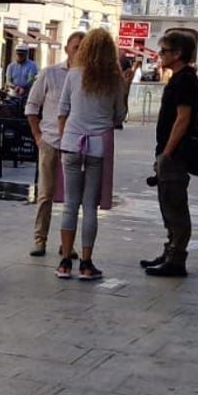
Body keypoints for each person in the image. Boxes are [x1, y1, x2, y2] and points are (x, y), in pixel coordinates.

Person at [55, 29, 127, 280]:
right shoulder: (115, 79)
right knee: (90, 207)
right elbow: (119, 115)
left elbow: (63, 110)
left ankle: (64, 261)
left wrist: (67, 137)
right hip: (98, 146)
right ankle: (86, 263)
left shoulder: (73, 74)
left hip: (72, 143)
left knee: (69, 204)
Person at [142, 30, 198, 278]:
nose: (160, 55)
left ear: (178, 54)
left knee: (175, 206)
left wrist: (167, 153)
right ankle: (170, 250)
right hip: (168, 152)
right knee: (167, 203)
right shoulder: (178, 78)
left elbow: (183, 119)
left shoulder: (185, 79)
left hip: (175, 154)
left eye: (164, 51)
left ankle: (177, 258)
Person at [26, 31, 83, 257]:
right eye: (76, 46)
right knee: (46, 193)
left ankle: (67, 244)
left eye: (83, 47)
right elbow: (31, 107)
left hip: (76, 142)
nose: (79, 51)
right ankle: (40, 239)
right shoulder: (49, 74)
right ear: (67, 48)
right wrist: (38, 137)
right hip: (50, 140)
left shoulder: (86, 77)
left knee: (73, 197)